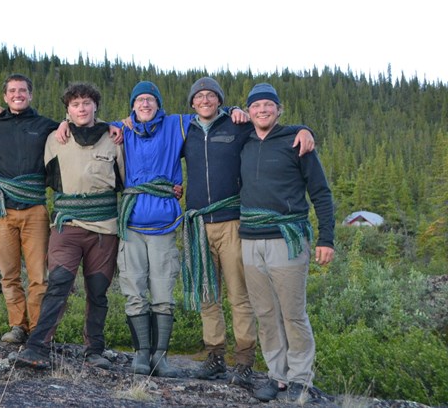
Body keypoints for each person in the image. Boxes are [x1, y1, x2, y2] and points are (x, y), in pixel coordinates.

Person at [184, 77, 315, 387]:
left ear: (220, 100)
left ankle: (244, 360)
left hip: (232, 223)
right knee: (208, 295)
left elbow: (270, 129)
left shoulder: (237, 125)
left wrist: (306, 130)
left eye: (211, 95)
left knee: (239, 296)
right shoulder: (184, 130)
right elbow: (150, 131)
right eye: (199, 96)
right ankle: (215, 355)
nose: (205, 100)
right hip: (198, 225)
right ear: (192, 103)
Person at [15, 82, 124, 370]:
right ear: (68, 110)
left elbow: (125, 181)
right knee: (59, 284)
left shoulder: (114, 139)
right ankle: (37, 346)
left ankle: (94, 350)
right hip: (67, 225)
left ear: (96, 106)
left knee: (98, 291)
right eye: (75, 104)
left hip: (105, 229)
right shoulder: (55, 139)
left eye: (87, 103)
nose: (82, 108)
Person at [238, 83, 334, 403]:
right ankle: (277, 375)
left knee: (293, 313)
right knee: (265, 313)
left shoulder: (297, 143)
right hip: (250, 240)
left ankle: (300, 379)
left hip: (287, 239)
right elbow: (213, 117)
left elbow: (321, 192)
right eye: (256, 106)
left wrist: (326, 239)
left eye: (269, 105)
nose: (262, 110)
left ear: (279, 110)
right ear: (248, 111)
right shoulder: (244, 142)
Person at [113, 81, 192, 377]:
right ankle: (141, 354)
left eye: (150, 99)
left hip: (163, 223)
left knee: (163, 292)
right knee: (134, 289)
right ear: (132, 106)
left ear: (158, 104)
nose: (145, 104)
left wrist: (235, 110)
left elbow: (210, 116)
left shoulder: (176, 125)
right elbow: (88, 126)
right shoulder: (121, 130)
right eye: (139, 100)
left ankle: (161, 357)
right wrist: (63, 126)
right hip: (131, 223)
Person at [0, 74, 59, 343]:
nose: (18, 95)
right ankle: (18, 326)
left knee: (38, 275)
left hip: (35, 209)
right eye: (12, 91)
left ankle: (38, 330)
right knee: (8, 273)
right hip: (2, 210)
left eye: (23, 90)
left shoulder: (46, 126)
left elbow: (76, 128)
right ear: (5, 96)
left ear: (31, 95)